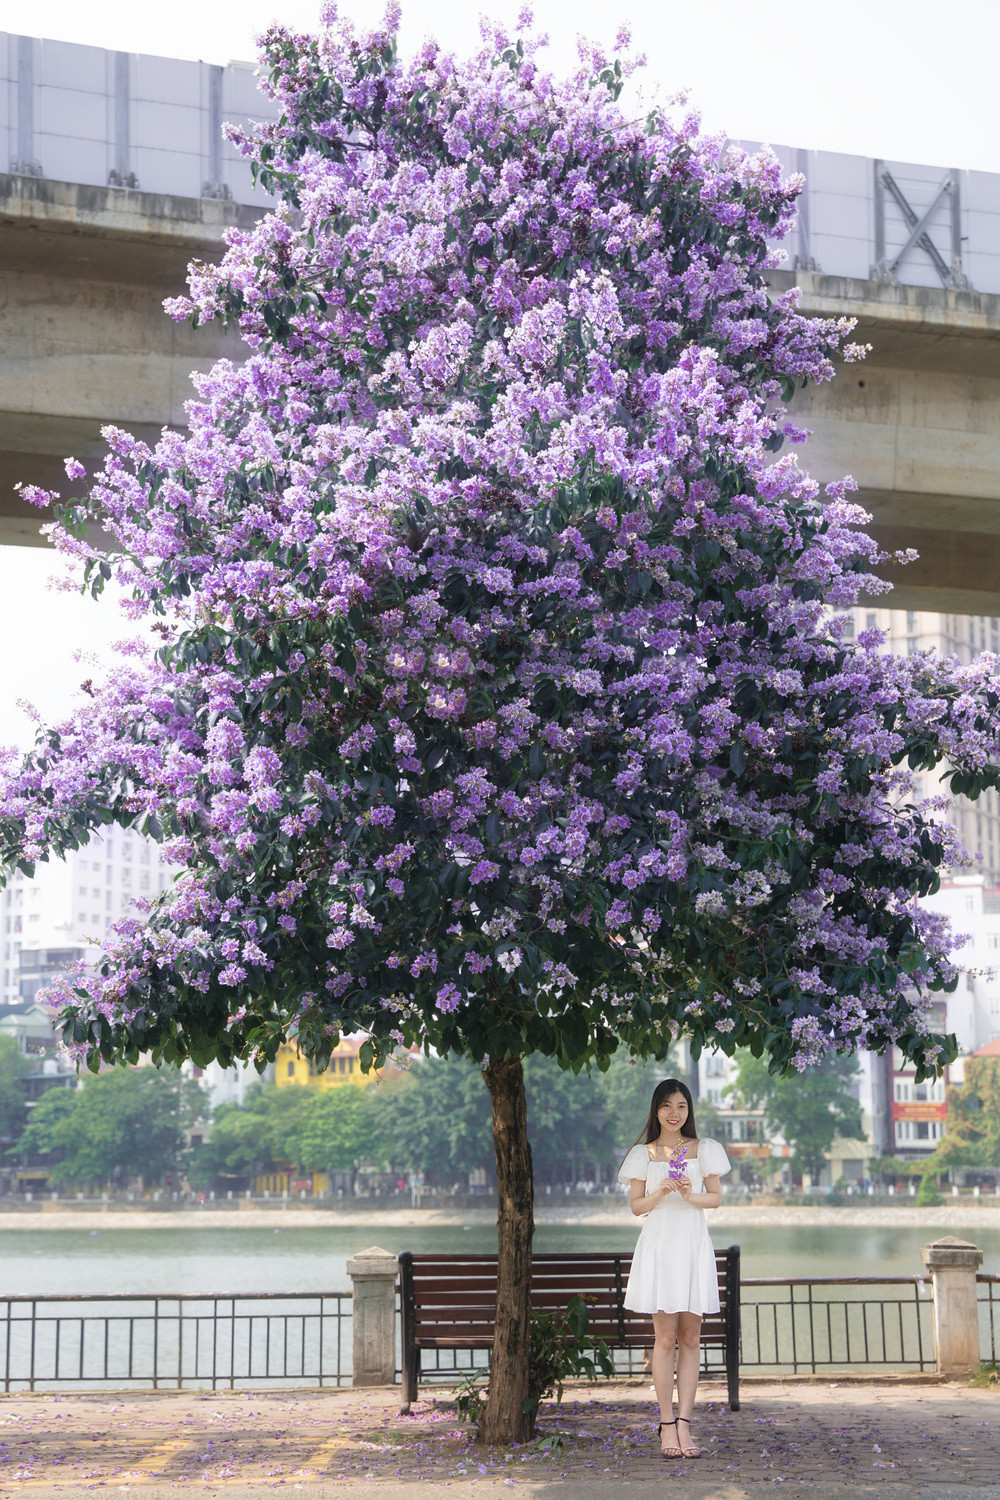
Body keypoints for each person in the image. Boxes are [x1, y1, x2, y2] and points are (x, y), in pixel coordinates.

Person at [617, 1078, 731, 1460]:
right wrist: (661, 1191)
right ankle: (665, 1424)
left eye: (681, 1106)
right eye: (666, 1105)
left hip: (693, 1244)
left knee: (692, 1337)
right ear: (656, 1110)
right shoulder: (643, 1154)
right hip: (661, 1246)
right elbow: (636, 1206)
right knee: (665, 1339)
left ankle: (685, 1423)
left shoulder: (704, 1149)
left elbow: (714, 1198)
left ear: (689, 1110)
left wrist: (688, 1193)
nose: (674, 1113)